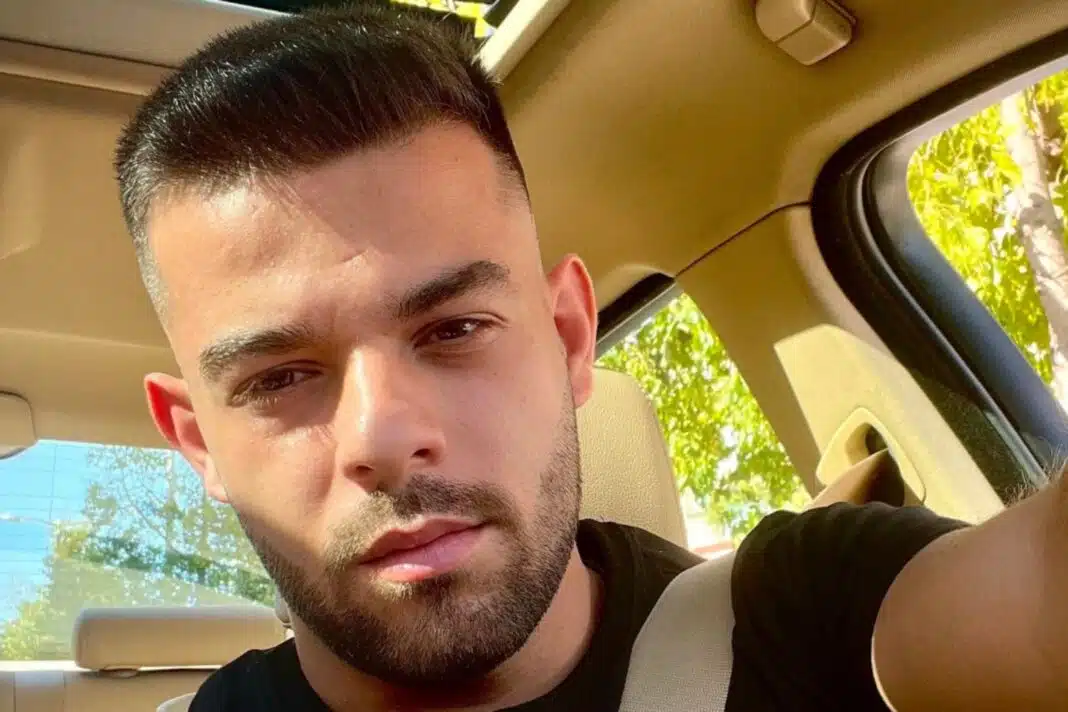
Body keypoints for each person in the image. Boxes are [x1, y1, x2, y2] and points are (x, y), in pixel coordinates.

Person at [112, 5, 1067, 711]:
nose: (385, 436)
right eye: (279, 379)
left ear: (571, 336)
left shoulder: (806, 618)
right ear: (198, 444)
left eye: (454, 329)